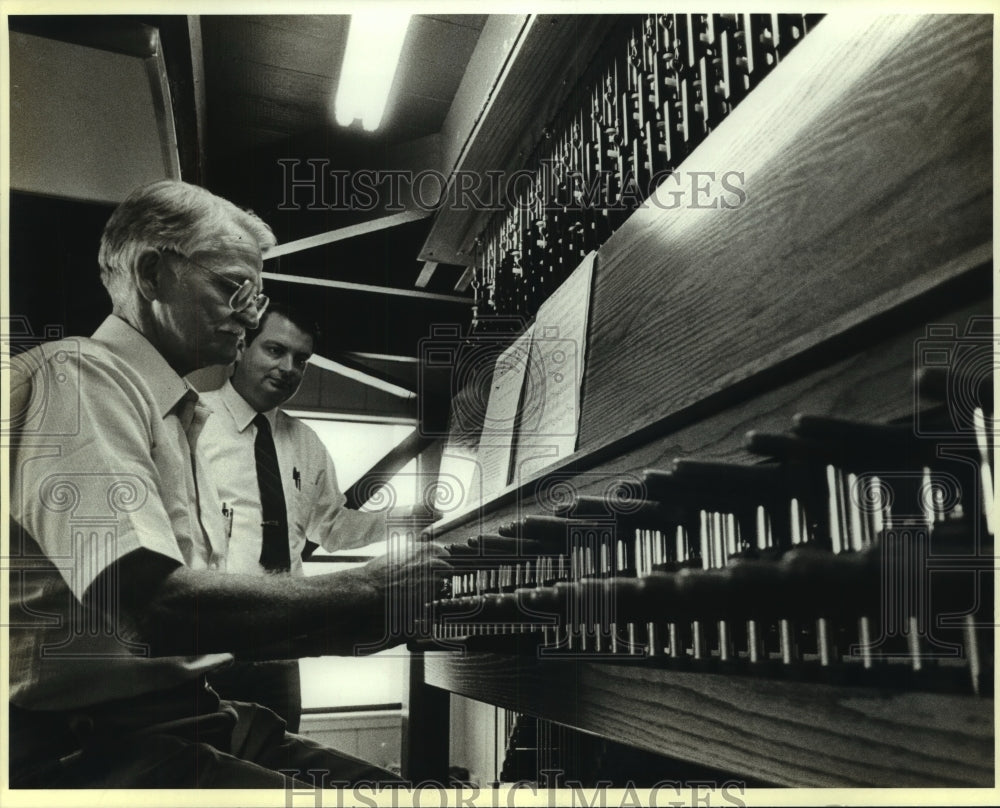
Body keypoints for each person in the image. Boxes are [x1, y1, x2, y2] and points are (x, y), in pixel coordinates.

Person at [7, 179, 448, 789]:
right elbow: (153, 607)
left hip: (191, 708)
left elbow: (315, 536)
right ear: (153, 273)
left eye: (258, 294)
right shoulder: (78, 378)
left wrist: (354, 626)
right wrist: (368, 588)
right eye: (233, 287)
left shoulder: (177, 411)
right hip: (93, 744)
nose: (251, 312)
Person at [198, 303, 398, 732]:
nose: (288, 368)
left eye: (301, 360)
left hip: (282, 645)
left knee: (280, 769)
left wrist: (405, 522)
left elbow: (334, 529)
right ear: (241, 345)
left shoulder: (306, 443)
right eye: (275, 350)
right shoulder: (192, 423)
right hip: (208, 643)